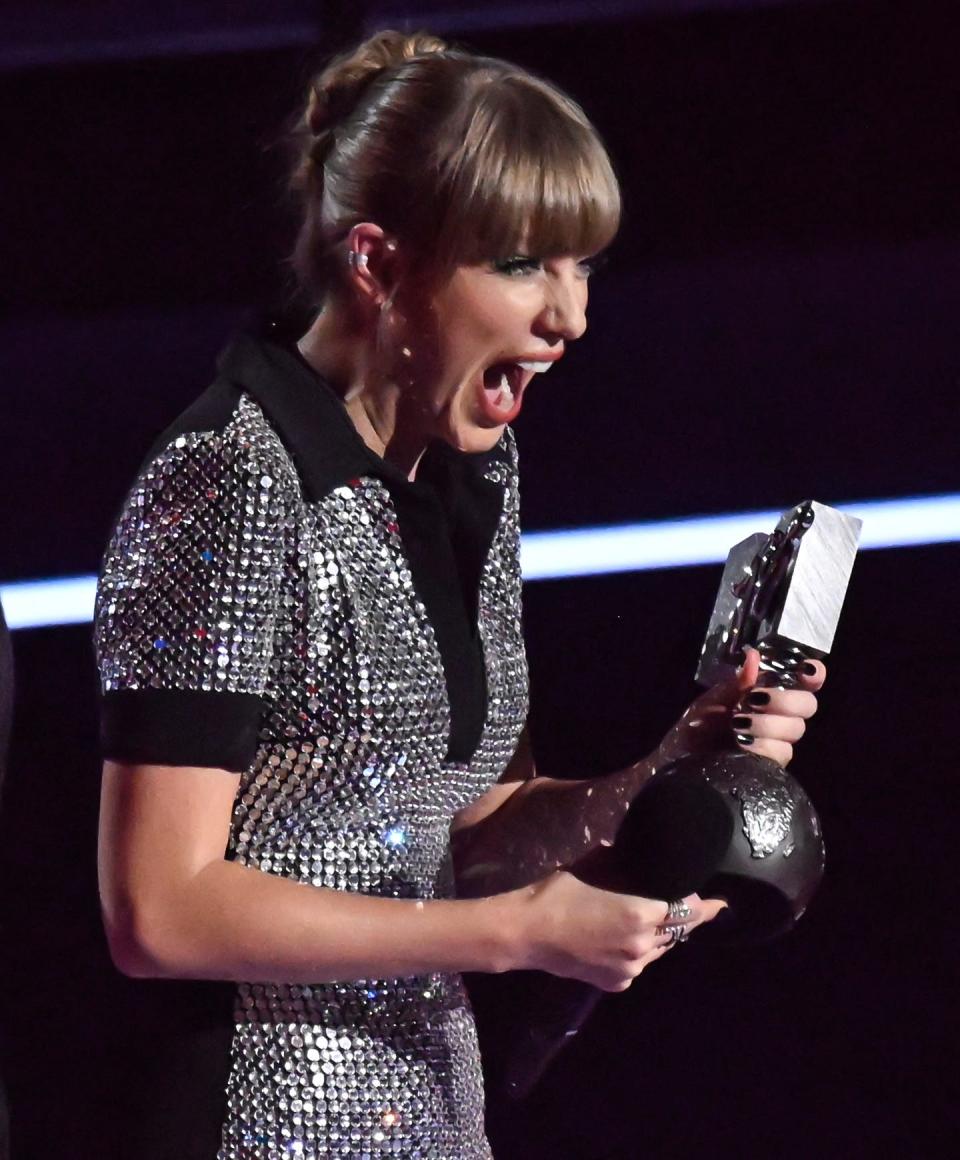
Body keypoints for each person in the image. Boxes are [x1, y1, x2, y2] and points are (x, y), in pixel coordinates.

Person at [94, 30, 825, 1159]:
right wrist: (510, 934)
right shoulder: (232, 477)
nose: (570, 317)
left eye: (583, 267)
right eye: (525, 264)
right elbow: (158, 908)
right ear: (379, 265)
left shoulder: (473, 467)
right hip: (254, 1119)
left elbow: (460, 823)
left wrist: (660, 774)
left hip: (428, 1115)